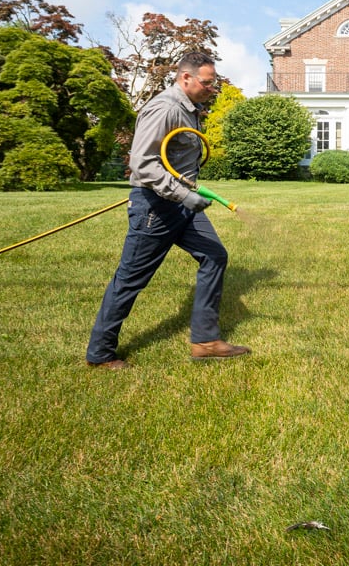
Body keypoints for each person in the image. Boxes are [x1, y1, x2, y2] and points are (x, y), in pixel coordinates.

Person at [86, 52, 249, 369]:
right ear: (185, 78)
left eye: (213, 83)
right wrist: (183, 196)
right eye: (207, 83)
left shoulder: (188, 109)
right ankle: (100, 352)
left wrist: (187, 196)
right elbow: (142, 163)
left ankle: (205, 341)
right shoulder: (165, 108)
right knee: (130, 279)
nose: (211, 89)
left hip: (181, 204)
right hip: (156, 207)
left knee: (214, 255)